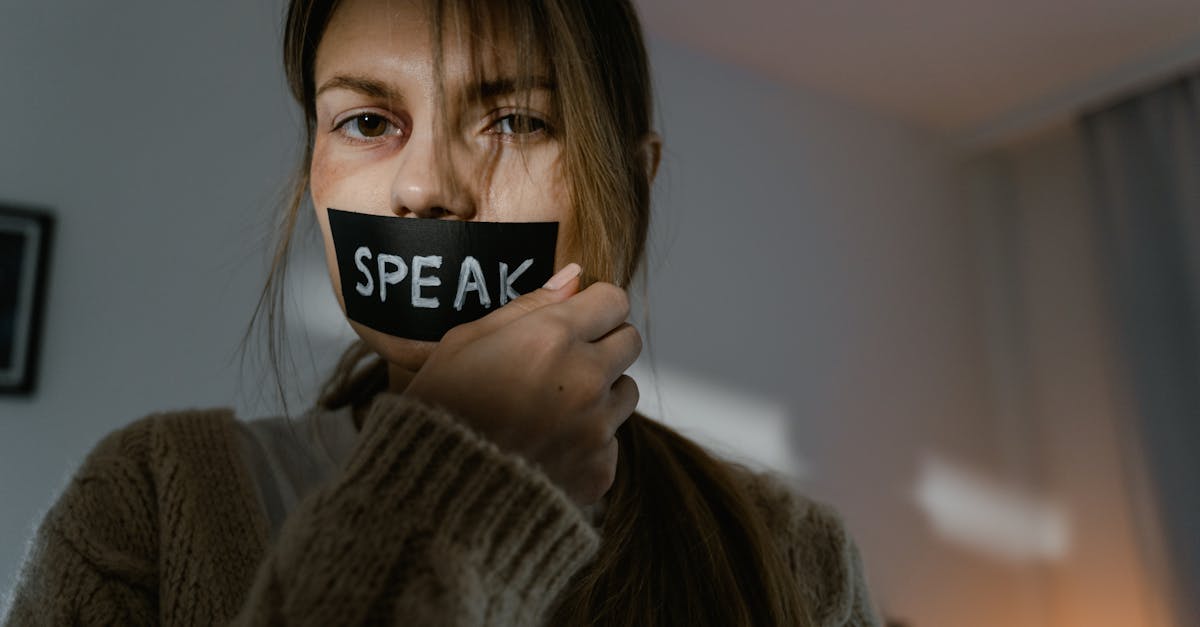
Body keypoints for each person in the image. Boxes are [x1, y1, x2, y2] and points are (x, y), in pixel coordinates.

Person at [4, 0, 880, 625]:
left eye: (515, 119)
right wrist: (453, 490)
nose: (426, 187)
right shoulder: (148, 506)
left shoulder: (795, 558)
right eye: (368, 120)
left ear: (635, 183)